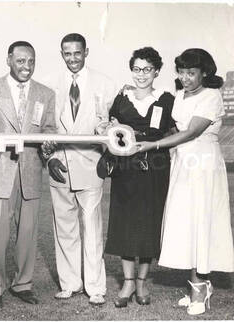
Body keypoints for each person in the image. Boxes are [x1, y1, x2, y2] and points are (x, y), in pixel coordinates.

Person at [138, 48, 234, 315]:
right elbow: (172, 126)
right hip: (182, 162)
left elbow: (190, 132)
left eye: (191, 72)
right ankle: (196, 285)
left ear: (205, 72)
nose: (186, 77)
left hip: (203, 163)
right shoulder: (179, 95)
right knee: (187, 223)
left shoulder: (212, 96)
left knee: (201, 222)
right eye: (181, 72)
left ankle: (200, 290)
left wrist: (153, 145)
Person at [0, 41, 56, 309]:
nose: (26, 67)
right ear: (9, 60)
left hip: (30, 173)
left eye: (31, 61)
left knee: (28, 234)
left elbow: (50, 129)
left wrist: (49, 142)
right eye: (20, 61)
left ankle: (23, 284)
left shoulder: (46, 93)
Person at [45, 33, 116, 305]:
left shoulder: (106, 84)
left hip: (91, 165)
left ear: (86, 52)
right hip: (59, 165)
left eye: (77, 53)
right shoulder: (50, 84)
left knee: (92, 227)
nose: (72, 58)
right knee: (63, 227)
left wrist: (107, 155)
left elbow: (110, 125)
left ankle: (96, 287)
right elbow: (45, 129)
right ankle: (70, 283)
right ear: (61, 54)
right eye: (67, 53)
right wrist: (48, 158)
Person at [103, 47, 175, 308]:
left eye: (147, 69)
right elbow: (110, 127)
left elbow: (175, 132)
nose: (141, 74)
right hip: (126, 167)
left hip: (155, 167)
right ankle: (128, 281)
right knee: (124, 222)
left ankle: (142, 282)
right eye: (136, 69)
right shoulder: (121, 98)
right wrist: (110, 126)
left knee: (148, 222)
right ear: (131, 70)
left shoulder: (167, 99)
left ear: (156, 71)